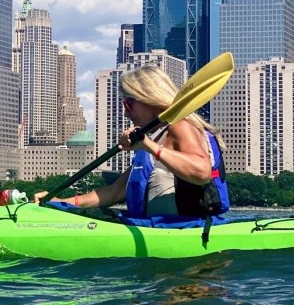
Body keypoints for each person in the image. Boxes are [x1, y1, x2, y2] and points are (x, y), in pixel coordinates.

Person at [34, 64, 229, 218]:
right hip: (153, 229)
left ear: (149, 98)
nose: (126, 112)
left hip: (186, 233)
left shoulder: (181, 126)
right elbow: (114, 191)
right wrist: (59, 202)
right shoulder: (155, 136)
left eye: (129, 104)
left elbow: (202, 172)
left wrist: (149, 146)